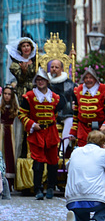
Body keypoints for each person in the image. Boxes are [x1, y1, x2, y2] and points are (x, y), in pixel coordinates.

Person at [18, 69, 63, 200]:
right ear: (35, 82)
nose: (40, 82)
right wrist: (32, 124)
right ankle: (37, 188)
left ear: (47, 81)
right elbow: (21, 114)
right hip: (36, 132)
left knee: (53, 162)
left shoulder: (55, 97)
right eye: (38, 80)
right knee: (38, 163)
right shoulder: (29, 96)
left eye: (42, 80)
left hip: (51, 132)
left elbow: (55, 114)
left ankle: (50, 187)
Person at [64, 130, 105, 221]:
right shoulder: (103, 153)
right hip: (95, 200)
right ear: (102, 143)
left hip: (73, 200)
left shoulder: (76, 151)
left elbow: (68, 166)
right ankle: (96, 220)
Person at [70, 68, 105, 147]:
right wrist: (73, 131)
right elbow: (76, 113)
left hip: (99, 129)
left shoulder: (104, 90)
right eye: (86, 78)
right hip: (82, 129)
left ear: (95, 79)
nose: (88, 80)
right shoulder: (78, 90)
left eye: (90, 78)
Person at [48, 59, 76, 150]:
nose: (54, 69)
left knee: (70, 120)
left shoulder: (69, 84)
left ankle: (62, 150)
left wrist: (74, 104)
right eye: (52, 67)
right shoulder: (45, 82)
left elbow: (76, 96)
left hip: (64, 113)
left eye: (57, 67)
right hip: (48, 111)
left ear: (62, 69)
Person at [1, 87, 18, 193]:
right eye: (5, 94)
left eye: (9, 94)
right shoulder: (1, 107)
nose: (6, 96)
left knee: (11, 156)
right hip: (1, 133)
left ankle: (11, 182)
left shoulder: (15, 109)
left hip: (12, 133)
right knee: (2, 155)